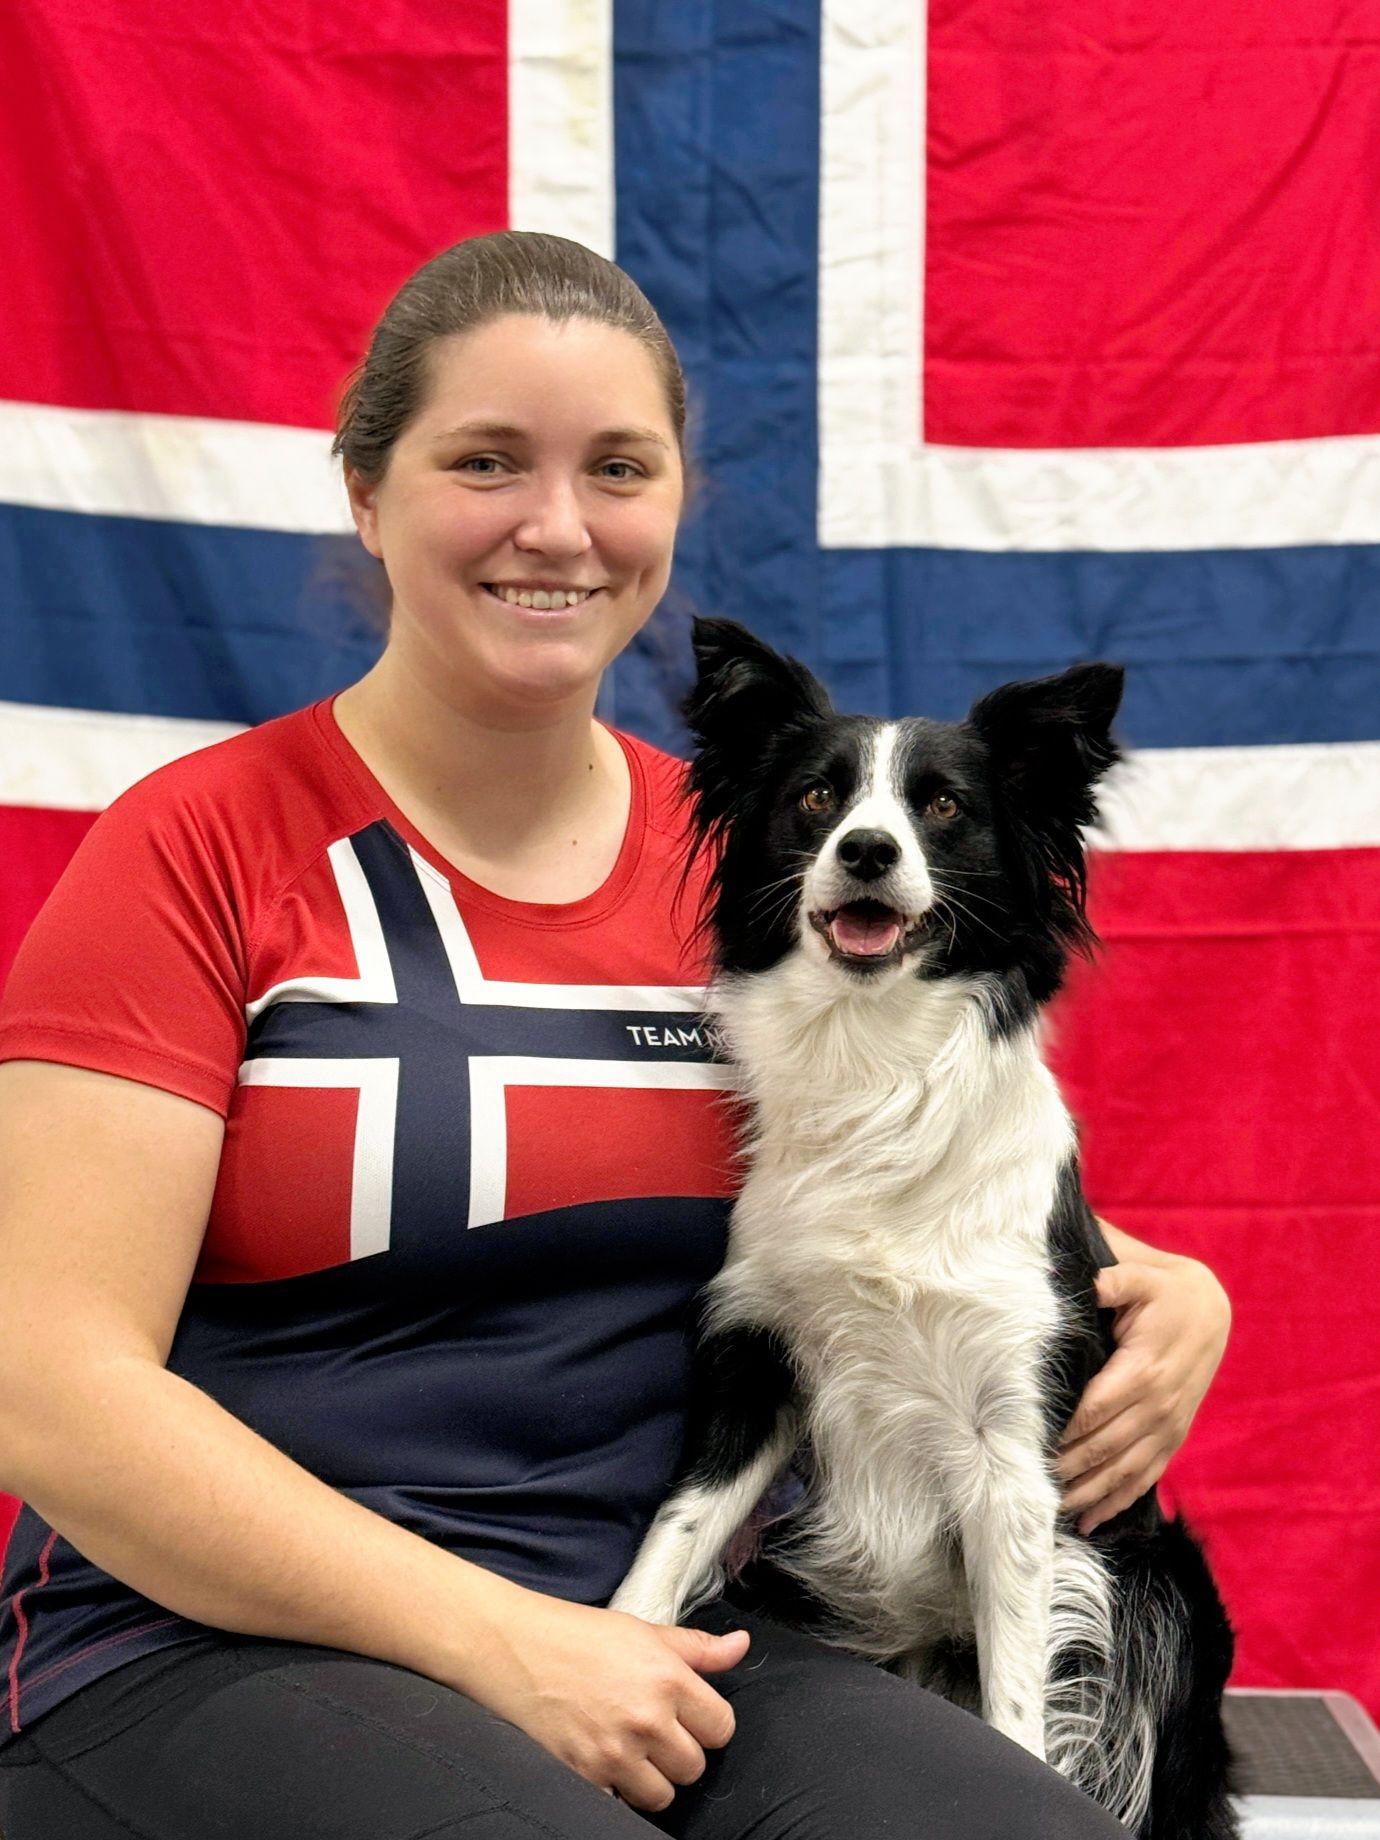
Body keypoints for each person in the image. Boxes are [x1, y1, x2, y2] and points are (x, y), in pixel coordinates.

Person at [0, 232, 1230, 1839]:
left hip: (675, 1625)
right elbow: (48, 1381)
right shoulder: (192, 849)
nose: (558, 526)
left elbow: (922, 1193)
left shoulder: (761, 871)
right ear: (367, 492)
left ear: (668, 510)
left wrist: (1174, 1291)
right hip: (217, 1638)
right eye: (487, 461)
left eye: (618, 468)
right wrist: (501, 1640)